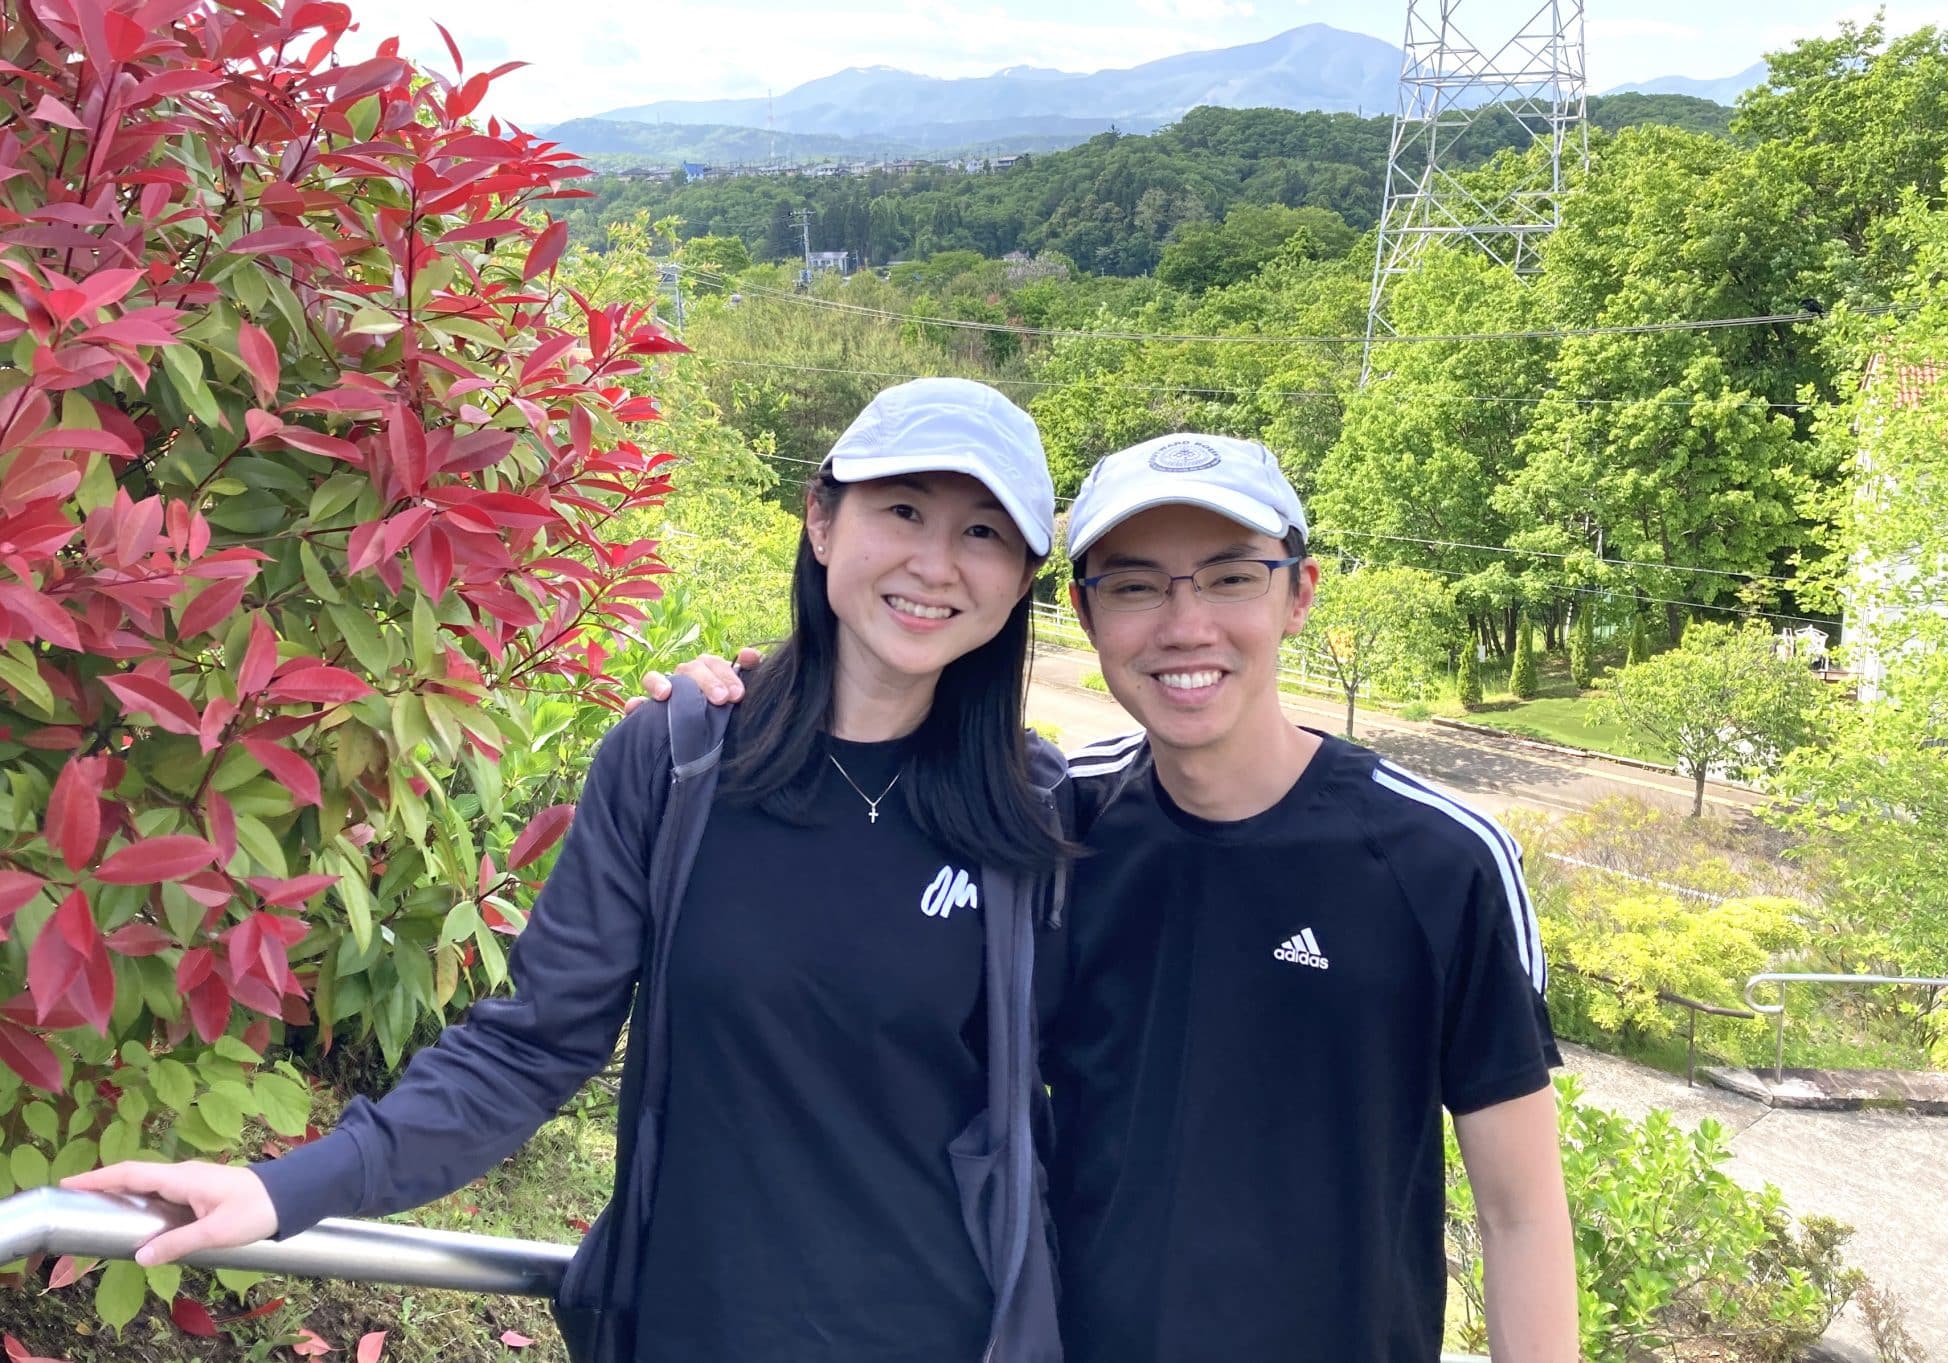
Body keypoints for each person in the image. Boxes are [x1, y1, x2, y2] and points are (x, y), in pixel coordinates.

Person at [65, 377, 1074, 1363]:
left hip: (946, 1326)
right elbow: (534, 1044)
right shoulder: (679, 763)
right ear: (820, 520)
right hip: (693, 1319)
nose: (936, 562)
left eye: (983, 532)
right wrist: (292, 1185)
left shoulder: (1038, 811)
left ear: (1022, 576)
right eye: (902, 510)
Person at [658, 432, 1578, 1363]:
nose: (1185, 626)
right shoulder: (1053, 824)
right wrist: (734, 708)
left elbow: (1521, 1211)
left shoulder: (1442, 862)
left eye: (1230, 577)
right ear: (1087, 616)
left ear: (1299, 592)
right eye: (1136, 585)